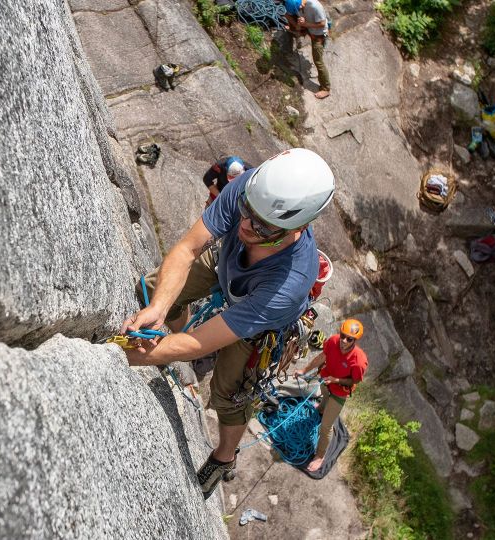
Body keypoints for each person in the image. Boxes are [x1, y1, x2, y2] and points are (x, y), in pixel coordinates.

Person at [121, 148, 335, 498]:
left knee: (230, 394)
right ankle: (174, 329)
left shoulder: (290, 283)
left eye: (263, 224)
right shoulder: (254, 188)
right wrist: (159, 307)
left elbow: (203, 341)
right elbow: (188, 249)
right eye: (247, 212)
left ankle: (224, 457)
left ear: (299, 227)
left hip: (257, 321)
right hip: (226, 262)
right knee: (153, 288)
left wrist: (127, 354)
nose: (247, 224)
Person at [294, 319, 368, 472]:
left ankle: (320, 456)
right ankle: (321, 409)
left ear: (355, 341)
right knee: (323, 398)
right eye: (343, 335)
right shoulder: (333, 341)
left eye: (349, 339)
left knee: (326, 427)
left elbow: (354, 381)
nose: (344, 340)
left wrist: (336, 380)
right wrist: (304, 370)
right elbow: (322, 357)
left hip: (340, 392)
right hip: (326, 380)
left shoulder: (359, 361)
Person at [284, 0, 331, 100]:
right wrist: (298, 25)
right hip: (309, 28)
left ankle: (326, 88)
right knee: (287, 15)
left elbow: (322, 24)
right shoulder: (296, 5)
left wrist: (305, 24)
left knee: (318, 62)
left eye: (300, 9)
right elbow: (289, 14)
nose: (299, 10)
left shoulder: (314, 6)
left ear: (301, 4)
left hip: (319, 34)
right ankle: (298, 34)